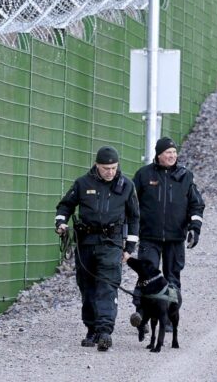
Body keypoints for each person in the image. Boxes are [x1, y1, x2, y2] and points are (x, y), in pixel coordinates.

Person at [55, 145, 140, 352]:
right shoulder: (83, 183)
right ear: (97, 166)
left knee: (107, 286)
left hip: (111, 244)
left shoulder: (126, 185)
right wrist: (61, 223)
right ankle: (91, 329)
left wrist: (129, 247)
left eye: (113, 168)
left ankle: (104, 332)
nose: (110, 172)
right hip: (86, 243)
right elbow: (65, 205)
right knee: (87, 287)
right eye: (105, 168)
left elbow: (134, 217)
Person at [129, 136, 205, 331]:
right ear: (159, 155)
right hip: (149, 237)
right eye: (167, 153)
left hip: (175, 239)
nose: (172, 156)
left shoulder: (185, 176)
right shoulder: (143, 175)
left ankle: (168, 318)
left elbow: (196, 204)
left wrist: (194, 229)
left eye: (174, 153)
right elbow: (130, 203)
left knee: (172, 279)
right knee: (147, 276)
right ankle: (142, 315)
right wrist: (128, 232)